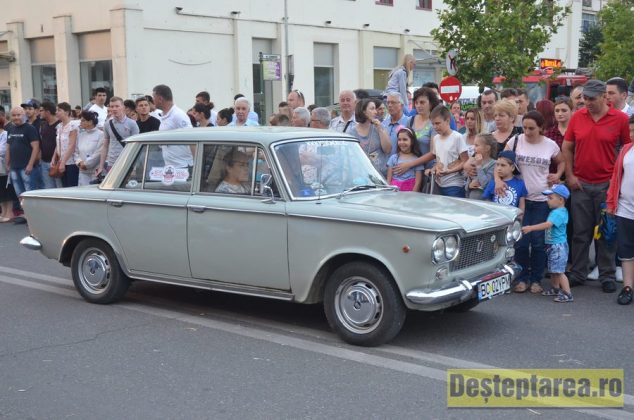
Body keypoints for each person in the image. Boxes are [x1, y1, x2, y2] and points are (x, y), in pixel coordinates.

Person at [562, 79, 631, 292]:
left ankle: (607, 275)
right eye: (585, 98)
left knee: (606, 233)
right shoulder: (577, 117)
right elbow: (567, 146)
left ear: (604, 97)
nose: (587, 103)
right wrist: (570, 175)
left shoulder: (620, 119)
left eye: (592, 99)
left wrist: (617, 181)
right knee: (580, 233)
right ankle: (578, 272)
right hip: (581, 184)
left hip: (606, 186)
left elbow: (628, 149)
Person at [501, 111, 564, 293]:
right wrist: (498, 180)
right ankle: (522, 278)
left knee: (538, 242)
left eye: (532, 128)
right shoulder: (515, 141)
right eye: (525, 128)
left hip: (542, 200)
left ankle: (536, 279)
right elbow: (501, 163)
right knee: (520, 241)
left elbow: (562, 162)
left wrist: (558, 175)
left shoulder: (550, 145)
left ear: (541, 128)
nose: (527, 132)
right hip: (520, 199)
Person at [522, 184, 573, 302]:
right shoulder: (557, 211)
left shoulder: (558, 213)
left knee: (559, 272)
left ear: (561, 200)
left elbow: (548, 225)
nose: (547, 201)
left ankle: (567, 293)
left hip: (558, 247)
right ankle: (555, 289)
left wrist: (531, 228)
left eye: (550, 198)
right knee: (553, 270)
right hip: (552, 245)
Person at [607, 115, 634, 304]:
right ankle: (627, 287)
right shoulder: (626, 149)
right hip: (625, 208)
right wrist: (611, 203)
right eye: (630, 130)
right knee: (625, 249)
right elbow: (616, 177)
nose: (631, 134)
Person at [429, 105, 469, 197]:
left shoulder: (457, 137)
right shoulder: (435, 138)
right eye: (433, 124)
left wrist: (450, 171)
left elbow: (465, 161)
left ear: (447, 121)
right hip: (439, 184)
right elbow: (439, 160)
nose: (435, 127)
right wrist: (435, 169)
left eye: (438, 123)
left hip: (454, 185)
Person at [346, 98, 391, 177]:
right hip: (362, 176)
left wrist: (380, 129)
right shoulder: (351, 133)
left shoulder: (379, 127)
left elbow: (387, 150)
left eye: (375, 109)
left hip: (381, 175)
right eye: (372, 109)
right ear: (364, 111)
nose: (375, 112)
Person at [98, 96, 139, 175]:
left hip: (128, 161)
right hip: (112, 162)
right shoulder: (107, 124)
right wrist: (101, 166)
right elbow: (105, 146)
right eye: (112, 106)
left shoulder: (132, 124)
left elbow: (136, 145)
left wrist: (134, 164)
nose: (114, 109)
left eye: (117, 106)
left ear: (123, 107)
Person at [5, 107, 40, 198]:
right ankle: (23, 208)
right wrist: (7, 164)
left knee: (30, 194)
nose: (16, 117)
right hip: (13, 167)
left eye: (18, 115)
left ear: (23, 115)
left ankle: (31, 208)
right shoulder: (10, 128)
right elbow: (8, 147)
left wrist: (30, 165)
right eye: (14, 115)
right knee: (19, 195)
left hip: (26, 168)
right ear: (10, 116)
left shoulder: (30, 128)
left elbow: (36, 147)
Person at [386, 127, 423, 192]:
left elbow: (418, 183)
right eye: (399, 140)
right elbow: (388, 180)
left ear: (412, 141)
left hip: (410, 194)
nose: (401, 142)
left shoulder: (417, 160)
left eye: (405, 139)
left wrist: (413, 195)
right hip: (394, 193)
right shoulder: (393, 158)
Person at [52, 103, 80, 188]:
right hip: (61, 160)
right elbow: (58, 143)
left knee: (71, 187)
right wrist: (54, 157)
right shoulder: (59, 126)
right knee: (64, 186)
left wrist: (63, 162)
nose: (56, 112)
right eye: (56, 110)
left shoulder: (72, 126)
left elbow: (71, 145)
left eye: (59, 110)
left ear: (67, 112)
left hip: (71, 162)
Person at [75, 111, 103, 186]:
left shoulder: (101, 135)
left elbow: (99, 153)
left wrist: (86, 164)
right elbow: (76, 152)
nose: (80, 122)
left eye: (83, 120)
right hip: (82, 171)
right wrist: (79, 162)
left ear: (90, 122)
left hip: (95, 172)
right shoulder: (80, 135)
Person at [38, 100, 62, 189]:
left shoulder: (60, 125)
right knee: (48, 190)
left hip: (57, 163)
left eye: (41, 110)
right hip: (44, 162)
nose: (39, 113)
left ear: (47, 112)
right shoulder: (43, 125)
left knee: (60, 189)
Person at [466, 133, 497, 199]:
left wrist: (479, 166)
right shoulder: (474, 162)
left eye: (477, 145)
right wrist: (469, 186)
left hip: (484, 202)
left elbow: (486, 184)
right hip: (471, 200)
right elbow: (467, 184)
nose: (474, 148)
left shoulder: (494, 164)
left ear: (487, 148)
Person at [0, 116, 18, 222]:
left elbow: (3, 150)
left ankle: (9, 212)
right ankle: (3, 211)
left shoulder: (5, 134)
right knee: (0, 190)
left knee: (6, 188)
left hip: (4, 165)